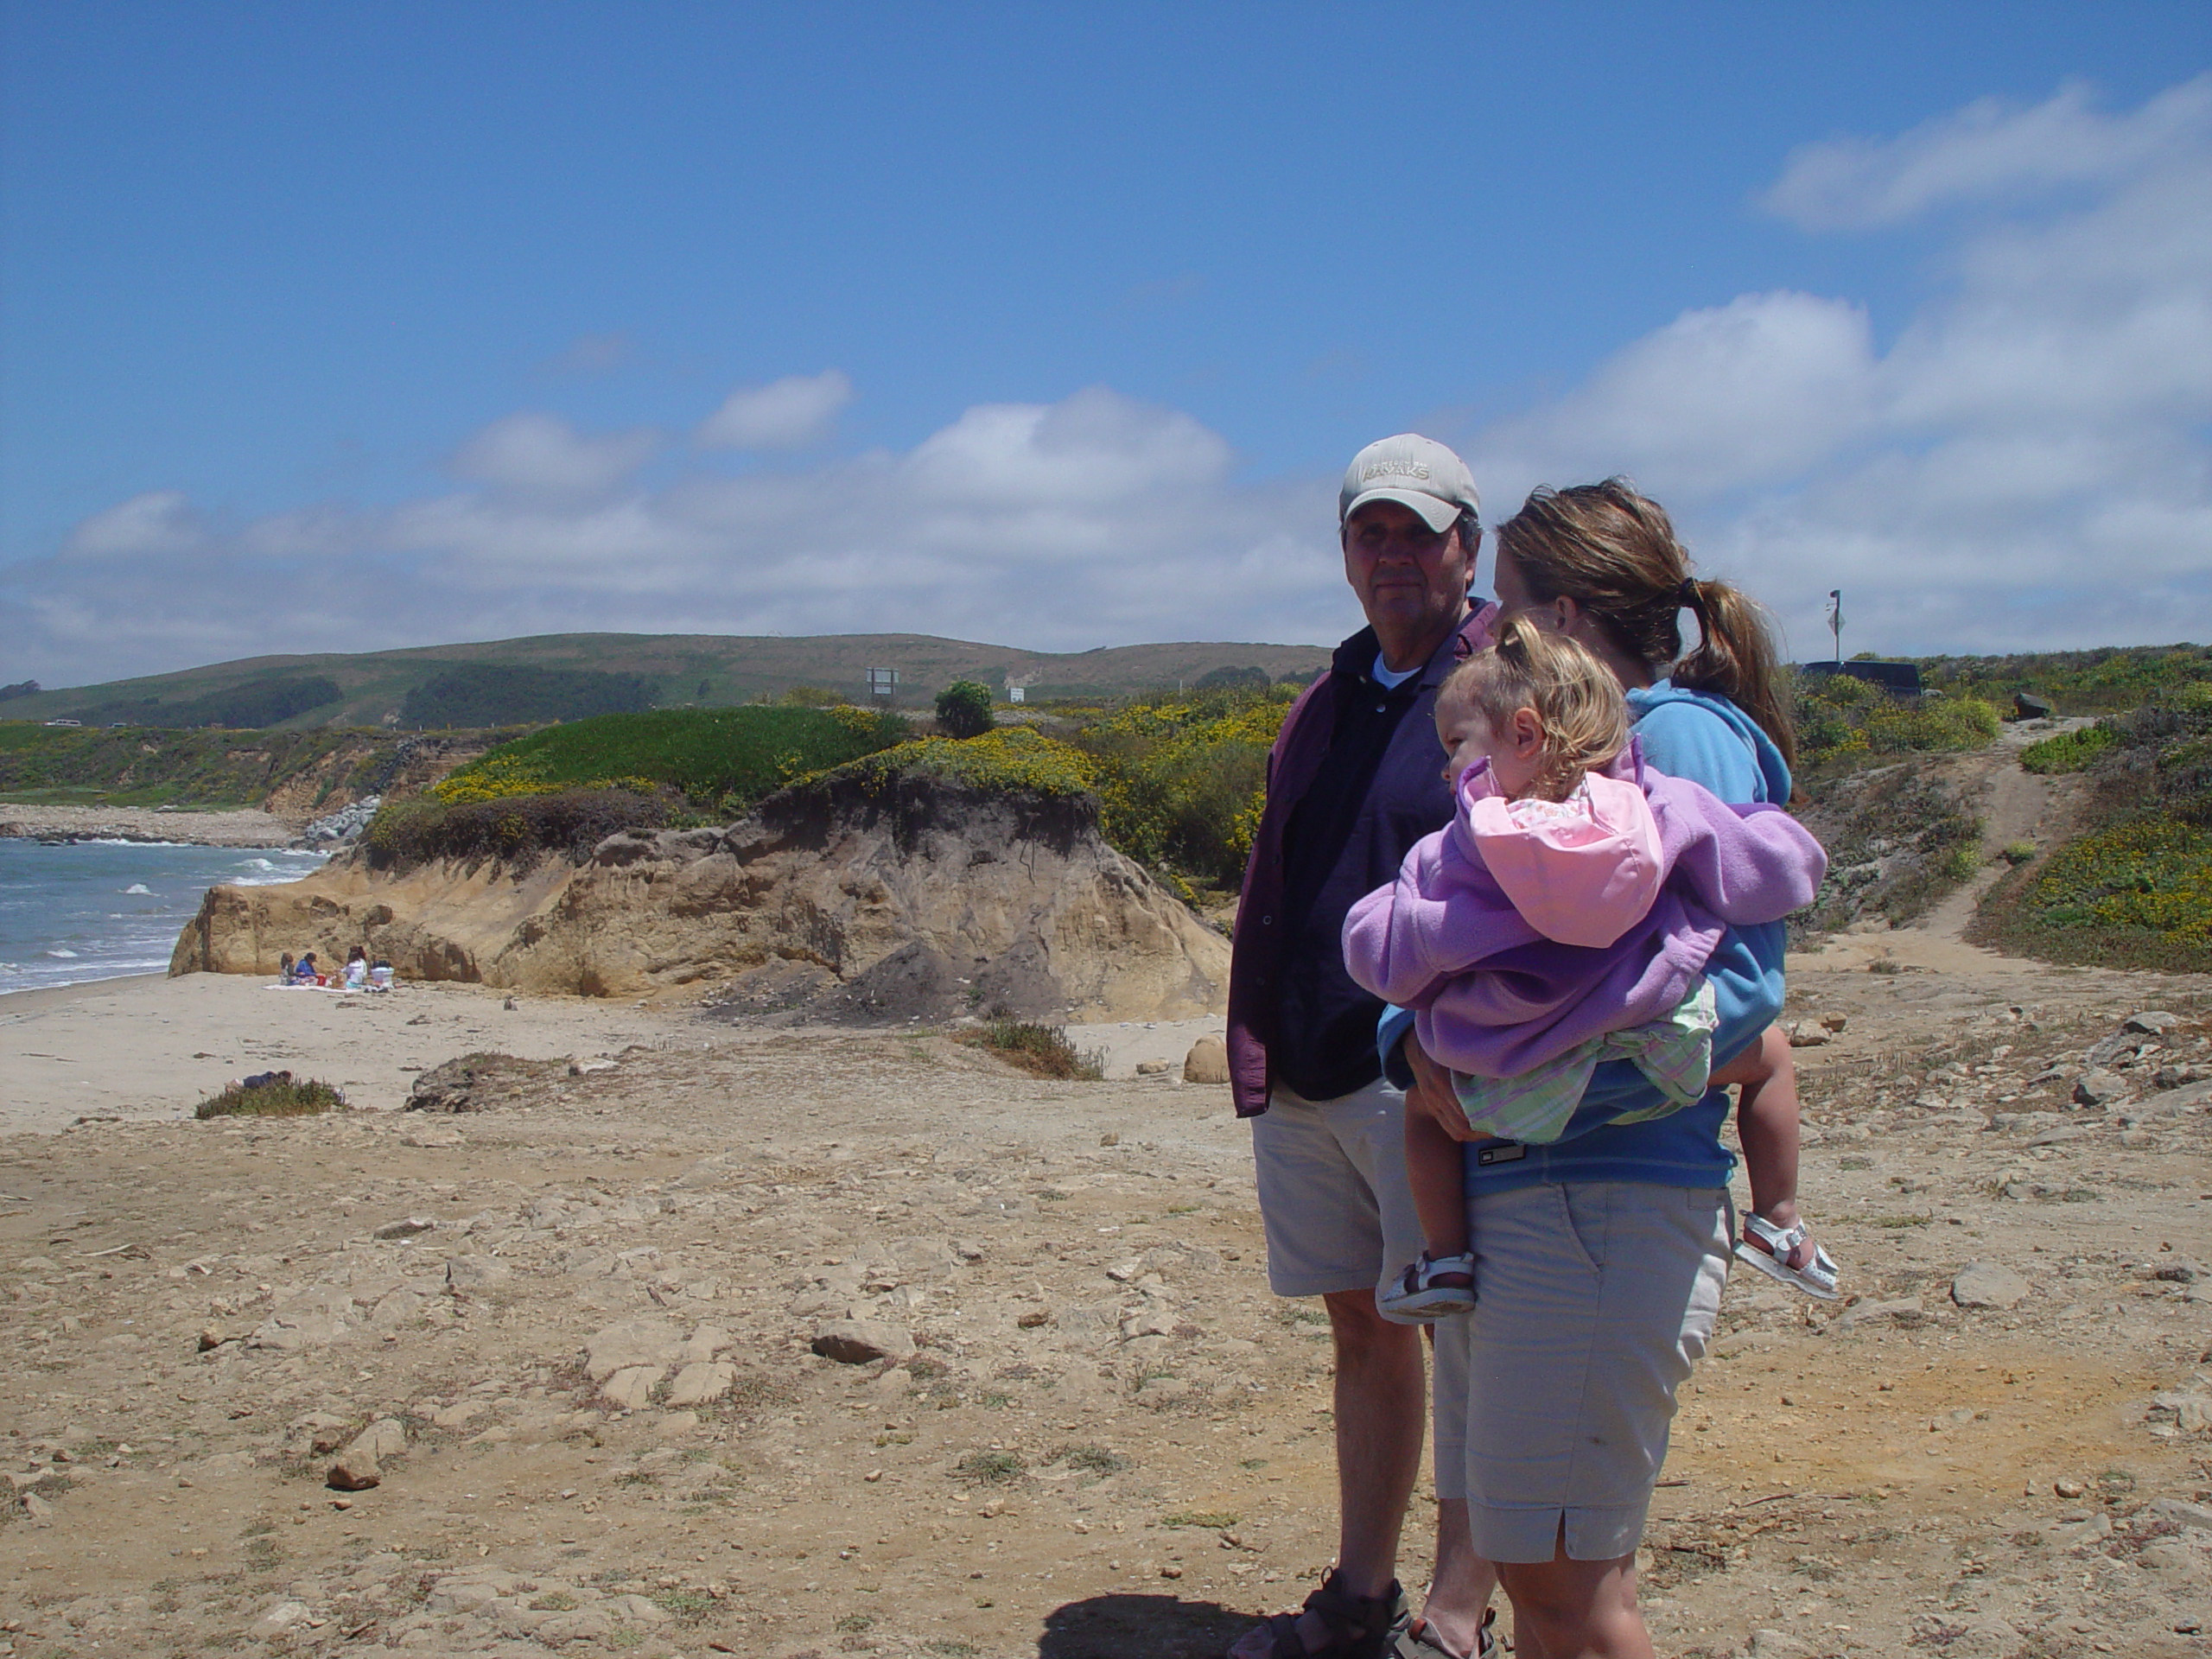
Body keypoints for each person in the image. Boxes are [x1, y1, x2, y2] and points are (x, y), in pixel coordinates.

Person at [1395, 479, 1808, 1659]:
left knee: (1569, 1587)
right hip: (1545, 1199)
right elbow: (1482, 944)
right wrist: (1422, 1046)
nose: (1486, 633)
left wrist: (1512, 1078)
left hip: (1598, 1200)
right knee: (1553, 1577)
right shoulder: (1584, 752)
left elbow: (1738, 997)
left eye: (1507, 612)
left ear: (1564, 618)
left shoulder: (1670, 738)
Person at [1340, 620, 1828, 1323]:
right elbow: (1774, 867)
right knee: (1774, 1056)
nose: (1446, 769)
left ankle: (1445, 1257)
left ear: (1525, 734)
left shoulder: (1459, 852)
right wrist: (1776, 834)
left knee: (1420, 1103)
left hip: (1502, 1089)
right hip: (1659, 1053)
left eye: (1455, 746)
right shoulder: (1657, 807)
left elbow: (1382, 954)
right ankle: (1777, 1216)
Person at [1227, 435, 1499, 1659]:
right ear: (1345, 554)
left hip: (1431, 1078)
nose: (1393, 555)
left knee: (1470, 1334)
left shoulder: (1507, 685)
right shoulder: (1331, 697)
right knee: (1364, 1329)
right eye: (1370, 532)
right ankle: (1362, 1593)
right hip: (1311, 1069)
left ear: (1467, 546)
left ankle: (1457, 1613)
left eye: (1417, 531)